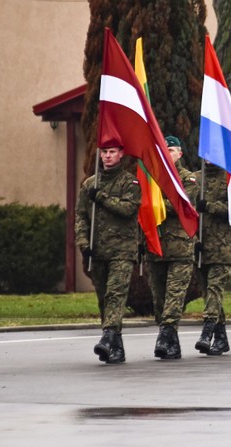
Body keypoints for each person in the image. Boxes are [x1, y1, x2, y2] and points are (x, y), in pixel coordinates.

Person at [75, 139, 141, 364]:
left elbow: (128, 209)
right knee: (104, 298)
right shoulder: (90, 184)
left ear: (121, 154)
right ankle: (116, 346)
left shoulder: (129, 182)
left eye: (112, 152)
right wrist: (84, 244)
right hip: (98, 251)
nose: (107, 156)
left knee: (115, 294)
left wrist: (101, 197)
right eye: (104, 152)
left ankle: (108, 336)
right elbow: (81, 216)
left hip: (122, 250)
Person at [148, 135, 199, 359]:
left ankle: (165, 335)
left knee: (174, 296)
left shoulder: (188, 179)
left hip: (180, 248)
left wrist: (153, 205)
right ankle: (172, 343)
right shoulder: (153, 178)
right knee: (159, 299)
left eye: (171, 150)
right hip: (156, 247)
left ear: (179, 154)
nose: (167, 154)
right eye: (164, 150)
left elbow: (181, 204)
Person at [193, 159, 231, 356]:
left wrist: (210, 206)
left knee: (214, 289)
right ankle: (221, 339)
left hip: (223, 246)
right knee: (209, 293)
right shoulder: (195, 179)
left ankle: (207, 331)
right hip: (201, 245)